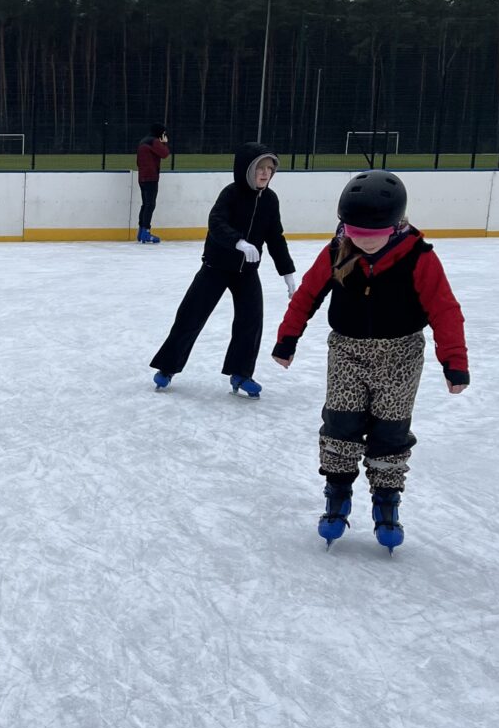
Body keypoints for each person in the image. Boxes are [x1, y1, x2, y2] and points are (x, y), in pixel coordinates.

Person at [271, 169, 469, 551]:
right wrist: (287, 339)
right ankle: (338, 493)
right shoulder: (337, 250)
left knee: (390, 432)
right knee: (340, 424)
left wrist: (454, 362)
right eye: (357, 232)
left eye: (373, 235)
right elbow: (307, 296)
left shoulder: (419, 257)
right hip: (346, 352)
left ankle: (386, 500)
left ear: (396, 225)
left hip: (401, 357)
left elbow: (444, 310)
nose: (365, 242)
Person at [149, 142, 296, 397]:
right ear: (246, 170)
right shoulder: (231, 193)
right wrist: (238, 242)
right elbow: (216, 223)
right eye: (260, 168)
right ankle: (167, 367)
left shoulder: (270, 200)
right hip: (215, 267)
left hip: (247, 272)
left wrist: (287, 272)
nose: (265, 173)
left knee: (251, 321)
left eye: (269, 169)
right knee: (190, 316)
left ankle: (241, 374)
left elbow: (275, 237)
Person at [135, 125, 170, 243]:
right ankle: (146, 232)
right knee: (150, 205)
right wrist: (164, 143)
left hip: (142, 177)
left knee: (145, 204)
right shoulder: (154, 141)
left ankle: (141, 231)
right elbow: (165, 154)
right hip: (151, 177)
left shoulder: (143, 141)